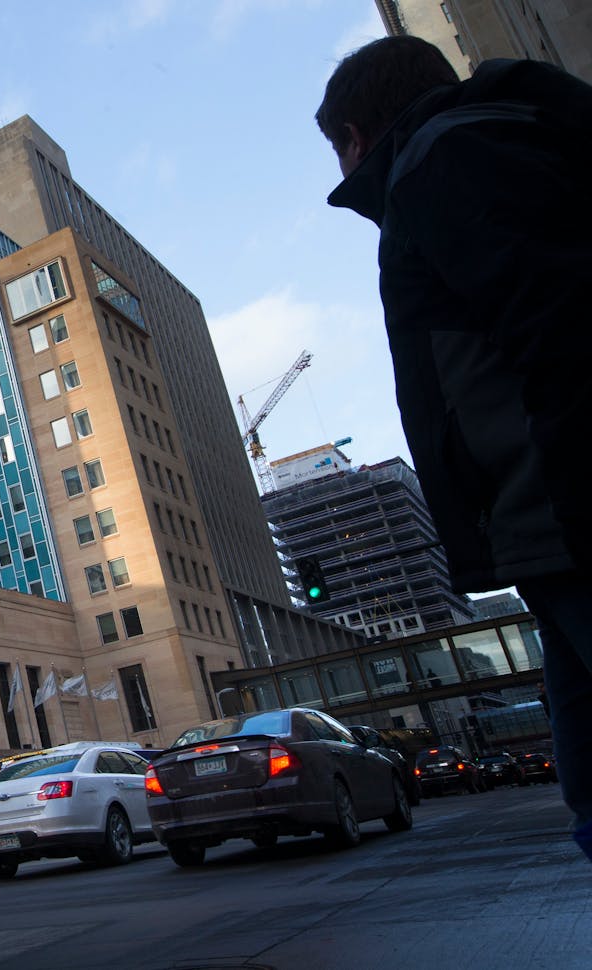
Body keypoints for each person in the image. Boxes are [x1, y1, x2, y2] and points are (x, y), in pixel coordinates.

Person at [316, 36, 592, 863]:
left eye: (335, 148)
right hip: (544, 521)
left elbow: (560, 322)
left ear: (357, 134)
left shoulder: (449, 158)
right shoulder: (485, 144)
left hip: (565, 509)